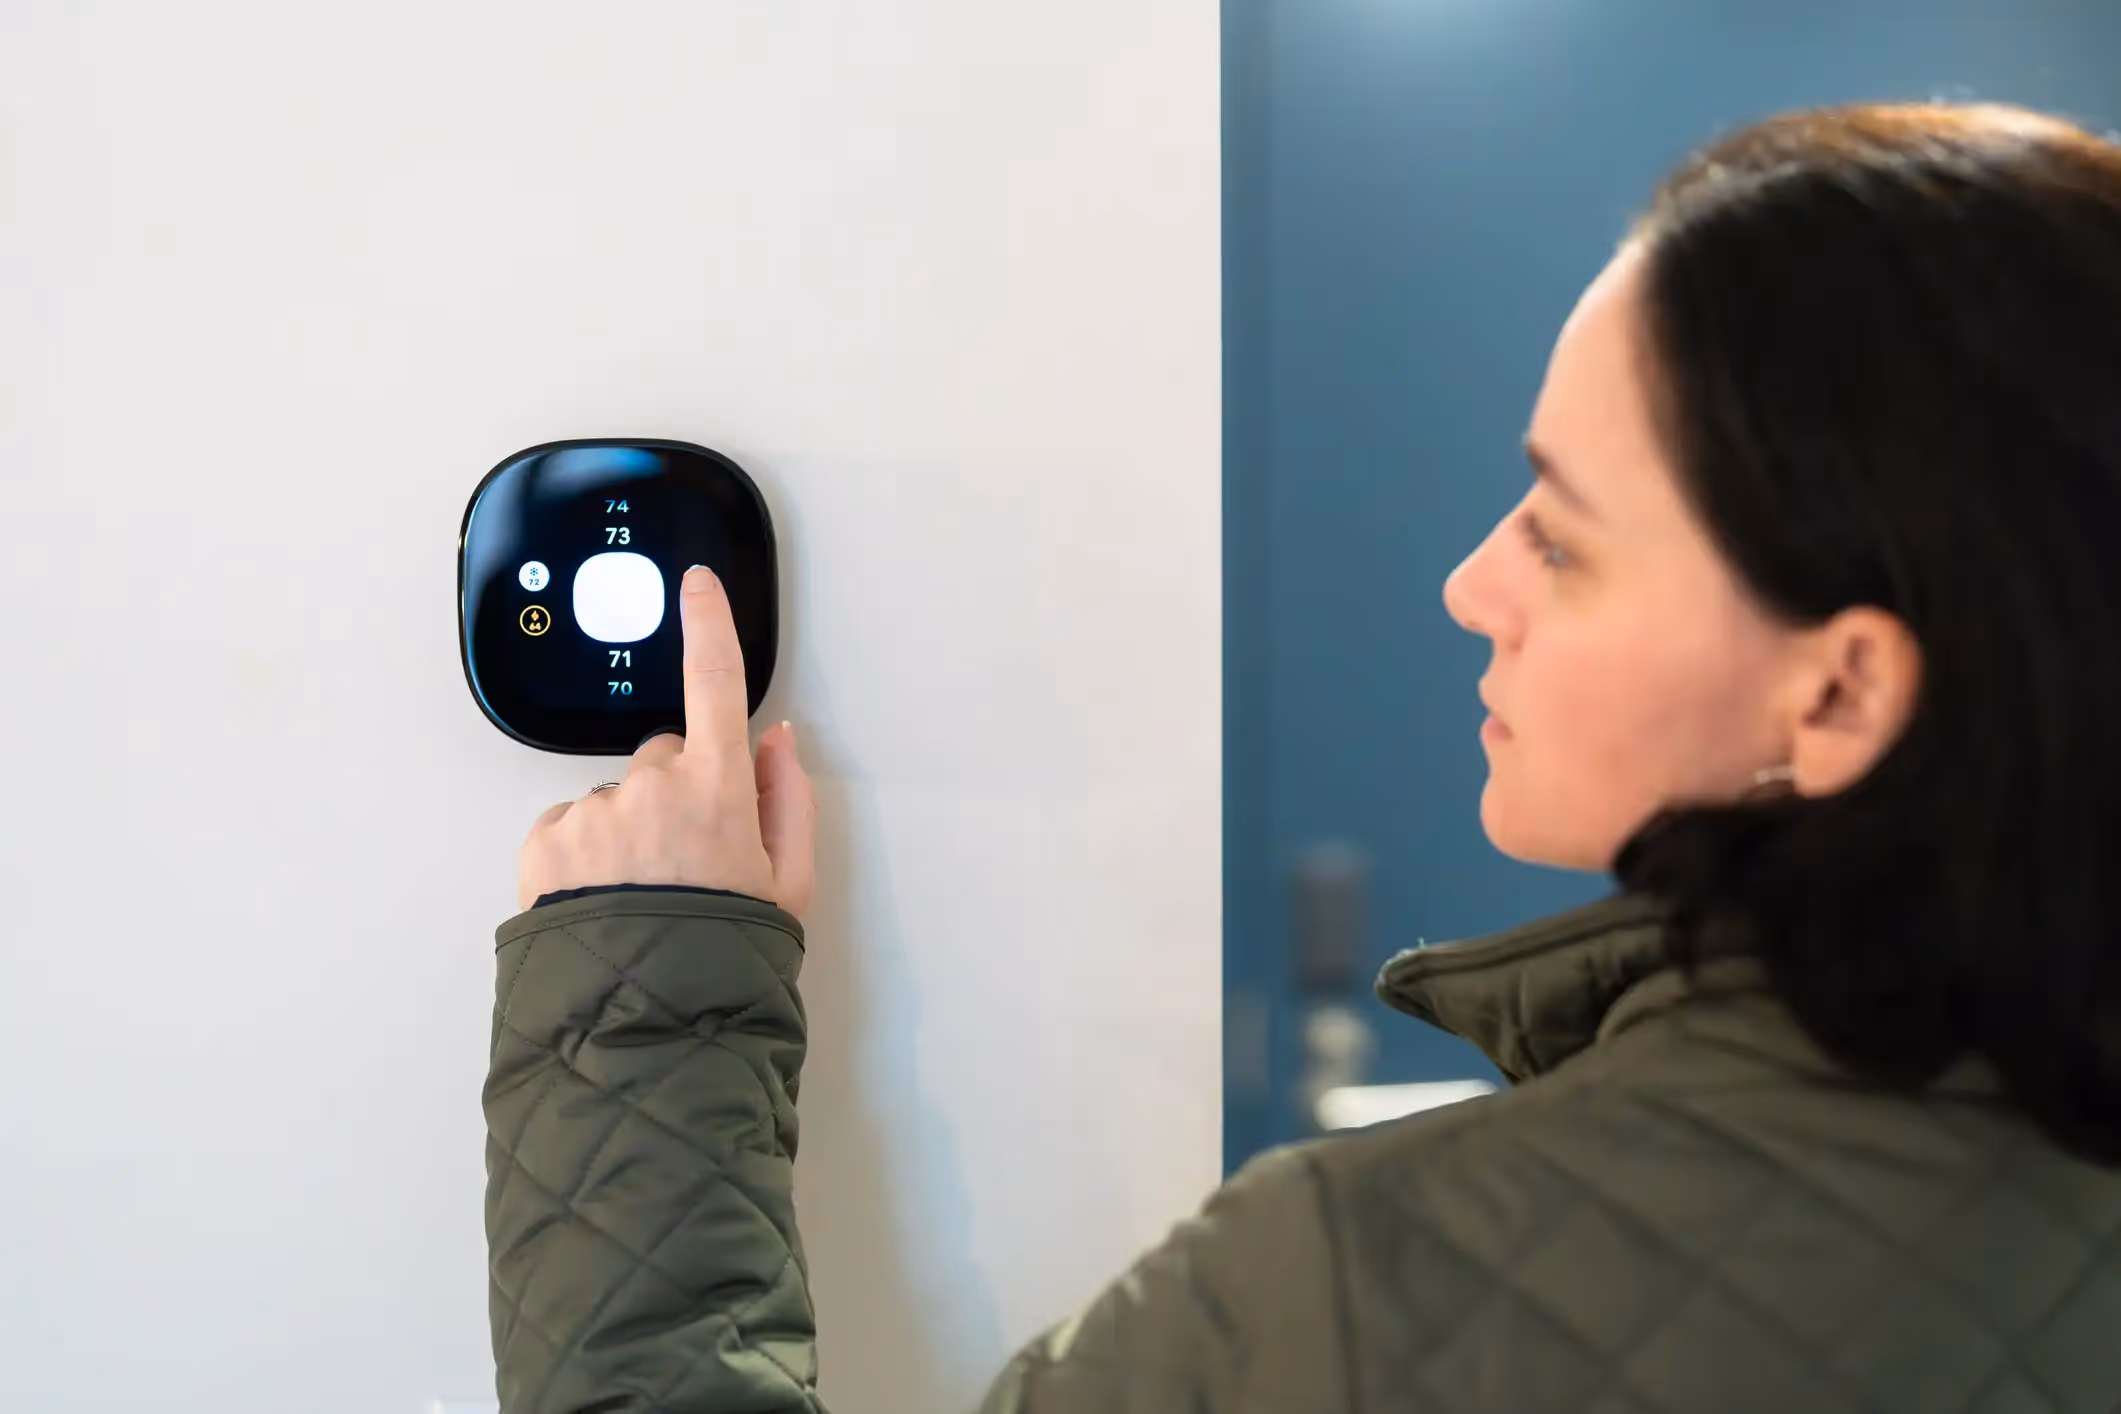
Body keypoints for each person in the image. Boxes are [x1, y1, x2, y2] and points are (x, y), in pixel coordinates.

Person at [480, 102, 2121, 1413]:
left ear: (1839, 693)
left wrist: (648, 1007)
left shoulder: (1355, 1290)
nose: (1473, 582)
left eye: (1562, 533)